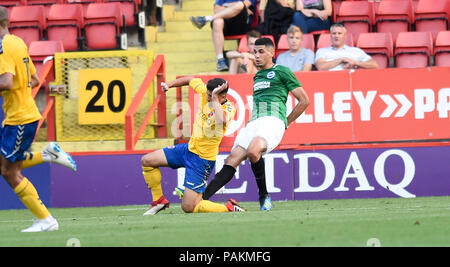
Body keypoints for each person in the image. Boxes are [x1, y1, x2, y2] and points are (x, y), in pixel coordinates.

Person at [202, 38, 310, 210]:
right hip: (254, 123)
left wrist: (285, 122)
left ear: (271, 53)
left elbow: (304, 101)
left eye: (261, 52)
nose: (257, 56)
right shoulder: (257, 76)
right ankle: (202, 198)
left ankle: (264, 196)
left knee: (253, 151)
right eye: (255, 52)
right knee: (232, 159)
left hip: (273, 122)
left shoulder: (282, 71)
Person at [0, 6, 76, 232]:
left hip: (20, 119)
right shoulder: (18, 42)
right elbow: (34, 79)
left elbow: (5, 82)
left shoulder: (3, 47)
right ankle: (47, 154)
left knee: (9, 171)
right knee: (8, 165)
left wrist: (13, 90)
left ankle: (46, 219)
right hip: (21, 115)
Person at [140, 76, 245, 215]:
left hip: (201, 160)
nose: (207, 97)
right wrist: (169, 85)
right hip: (188, 149)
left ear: (223, 96)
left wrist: (213, 98)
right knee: (147, 161)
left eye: (211, 95)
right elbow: (190, 79)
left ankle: (229, 207)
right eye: (208, 95)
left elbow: (222, 120)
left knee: (188, 207)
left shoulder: (229, 108)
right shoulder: (204, 92)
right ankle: (159, 201)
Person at [189, 0, 257, 72]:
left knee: (240, 5)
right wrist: (232, 8)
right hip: (226, 24)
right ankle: (220, 60)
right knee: (217, 22)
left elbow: (245, 5)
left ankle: (207, 19)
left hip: (241, 24)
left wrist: (225, 5)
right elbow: (216, 9)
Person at [315, 23, 379, 71]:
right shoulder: (322, 51)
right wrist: (341, 59)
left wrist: (356, 63)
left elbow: (375, 65)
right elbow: (321, 67)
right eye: (334, 33)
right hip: (329, 81)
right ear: (330, 35)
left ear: (345, 35)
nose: (336, 36)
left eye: (339, 33)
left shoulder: (355, 51)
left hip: (352, 81)